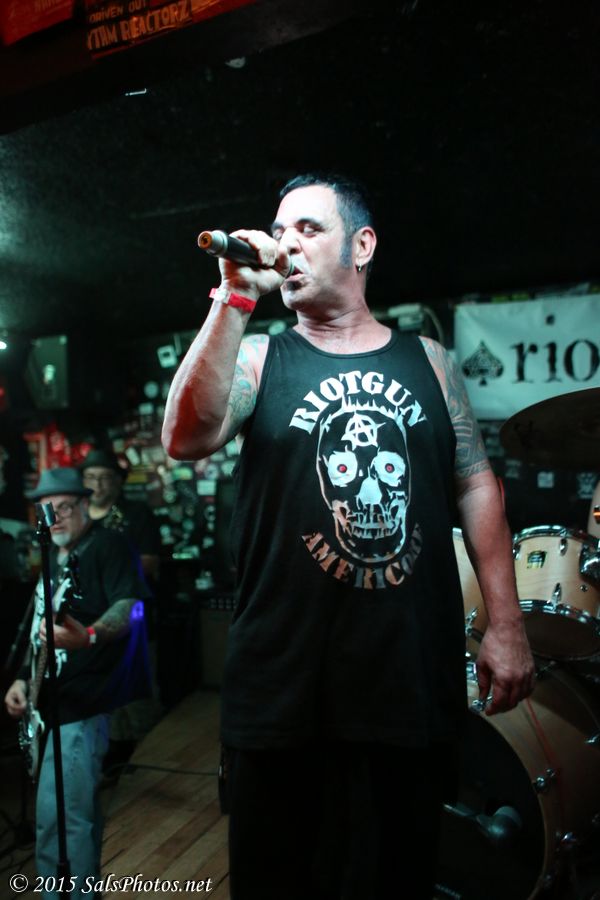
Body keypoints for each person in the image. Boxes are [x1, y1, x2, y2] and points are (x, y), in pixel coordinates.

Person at [161, 173, 535, 899]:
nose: (287, 244)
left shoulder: (429, 362)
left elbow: (475, 483)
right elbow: (184, 437)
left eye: (309, 229)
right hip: (282, 691)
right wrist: (234, 297)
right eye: (280, 231)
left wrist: (507, 622)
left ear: (361, 246)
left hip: (407, 688)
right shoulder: (262, 358)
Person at [4, 467, 150, 900]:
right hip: (49, 700)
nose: (55, 518)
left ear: (85, 505)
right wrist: (21, 680)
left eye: (64, 507)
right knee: (63, 817)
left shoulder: (107, 545)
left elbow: (133, 607)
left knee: (63, 818)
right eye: (46, 511)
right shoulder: (54, 557)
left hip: (83, 703)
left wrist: (88, 635)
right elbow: (39, 631)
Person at [79, 447, 163, 769]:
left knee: (137, 687)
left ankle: (148, 758)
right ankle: (114, 758)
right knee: (104, 691)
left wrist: (109, 572)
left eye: (104, 478)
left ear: (117, 481)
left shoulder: (136, 514)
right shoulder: (80, 517)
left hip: (133, 613)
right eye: (91, 478)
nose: (97, 485)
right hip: (90, 618)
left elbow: (150, 562)